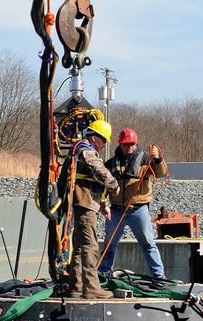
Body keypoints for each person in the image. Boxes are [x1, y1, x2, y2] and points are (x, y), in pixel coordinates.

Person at [99, 128, 169, 281]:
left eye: (133, 144)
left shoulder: (146, 159)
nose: (130, 147)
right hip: (116, 210)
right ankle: (103, 274)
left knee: (148, 243)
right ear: (120, 144)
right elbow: (102, 187)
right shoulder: (110, 164)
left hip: (139, 209)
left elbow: (161, 173)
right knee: (109, 244)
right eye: (127, 144)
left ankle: (159, 276)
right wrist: (103, 204)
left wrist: (157, 159)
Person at [64, 118, 119, 298]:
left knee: (80, 246)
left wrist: (104, 205)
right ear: (95, 137)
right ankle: (91, 287)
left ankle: (77, 286)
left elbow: (92, 182)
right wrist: (114, 184)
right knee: (90, 245)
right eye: (103, 140)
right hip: (84, 203)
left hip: (87, 202)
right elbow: (99, 172)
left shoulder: (84, 150)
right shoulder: (85, 151)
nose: (104, 144)